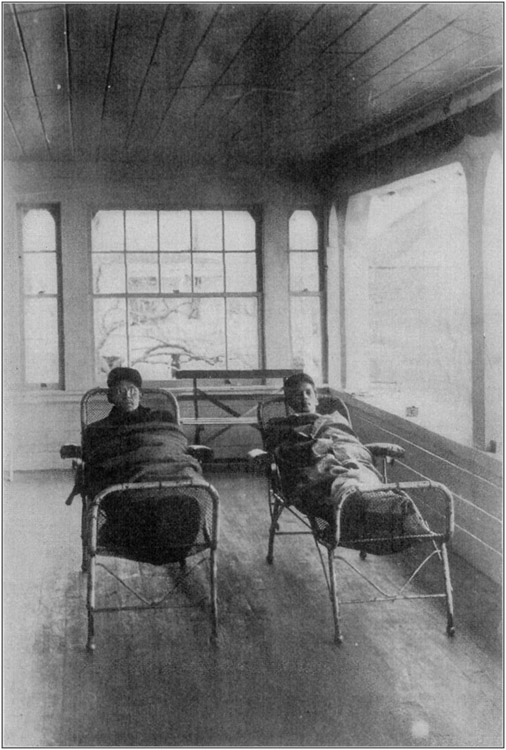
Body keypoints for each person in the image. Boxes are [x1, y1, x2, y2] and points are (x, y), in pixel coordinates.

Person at [265, 373, 431, 552]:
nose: (304, 398)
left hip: (355, 457)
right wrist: (314, 446)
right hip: (320, 464)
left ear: (316, 397)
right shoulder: (283, 426)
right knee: (344, 479)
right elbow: (283, 454)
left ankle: (380, 506)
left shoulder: (335, 419)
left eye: (308, 392)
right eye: (298, 395)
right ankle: (379, 508)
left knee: (362, 474)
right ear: (290, 401)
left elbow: (351, 444)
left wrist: (370, 448)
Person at [83, 367, 203, 564]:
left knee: (182, 505)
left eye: (133, 390)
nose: (128, 396)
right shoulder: (98, 430)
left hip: (173, 481)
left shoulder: (162, 418)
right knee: (149, 513)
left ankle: (170, 543)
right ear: (110, 397)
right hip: (127, 487)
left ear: (141, 394)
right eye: (120, 391)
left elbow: (175, 446)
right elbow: (98, 463)